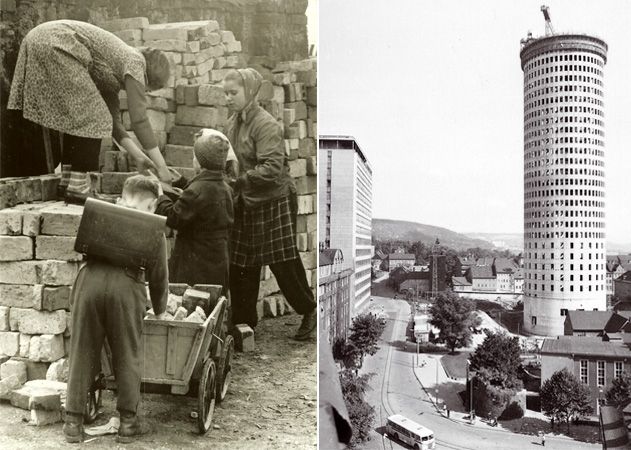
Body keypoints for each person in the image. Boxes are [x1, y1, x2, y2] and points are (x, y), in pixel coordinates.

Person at [7, 20, 172, 199]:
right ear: (148, 78)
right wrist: (162, 167)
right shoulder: (136, 62)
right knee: (93, 117)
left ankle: (68, 182)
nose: (143, 92)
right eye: (147, 89)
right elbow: (139, 120)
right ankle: (79, 188)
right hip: (57, 42)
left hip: (42, 38)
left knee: (85, 116)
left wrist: (138, 156)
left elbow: (112, 122)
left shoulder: (115, 70)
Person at [63, 175, 168, 444]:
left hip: (89, 283)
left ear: (122, 197)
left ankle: (73, 424)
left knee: (81, 351)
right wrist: (160, 309)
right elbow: (159, 277)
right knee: (127, 354)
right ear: (152, 205)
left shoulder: (100, 210)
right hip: (126, 288)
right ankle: (128, 424)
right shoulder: (153, 227)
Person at [224, 67, 316, 340]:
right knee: (242, 262)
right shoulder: (233, 122)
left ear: (250, 92)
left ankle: (309, 310)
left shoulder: (266, 125)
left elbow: (273, 168)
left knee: (282, 260)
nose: (228, 98)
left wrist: (239, 181)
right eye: (225, 93)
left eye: (233, 92)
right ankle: (244, 322)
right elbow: (231, 157)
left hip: (273, 197)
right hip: (248, 198)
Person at [155, 129, 234, 290]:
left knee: (192, 302)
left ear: (199, 162)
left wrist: (160, 196)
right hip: (218, 259)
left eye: (194, 156)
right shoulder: (225, 187)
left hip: (194, 263)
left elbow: (173, 217)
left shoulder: (196, 190)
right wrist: (182, 182)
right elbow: (202, 203)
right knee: (213, 300)